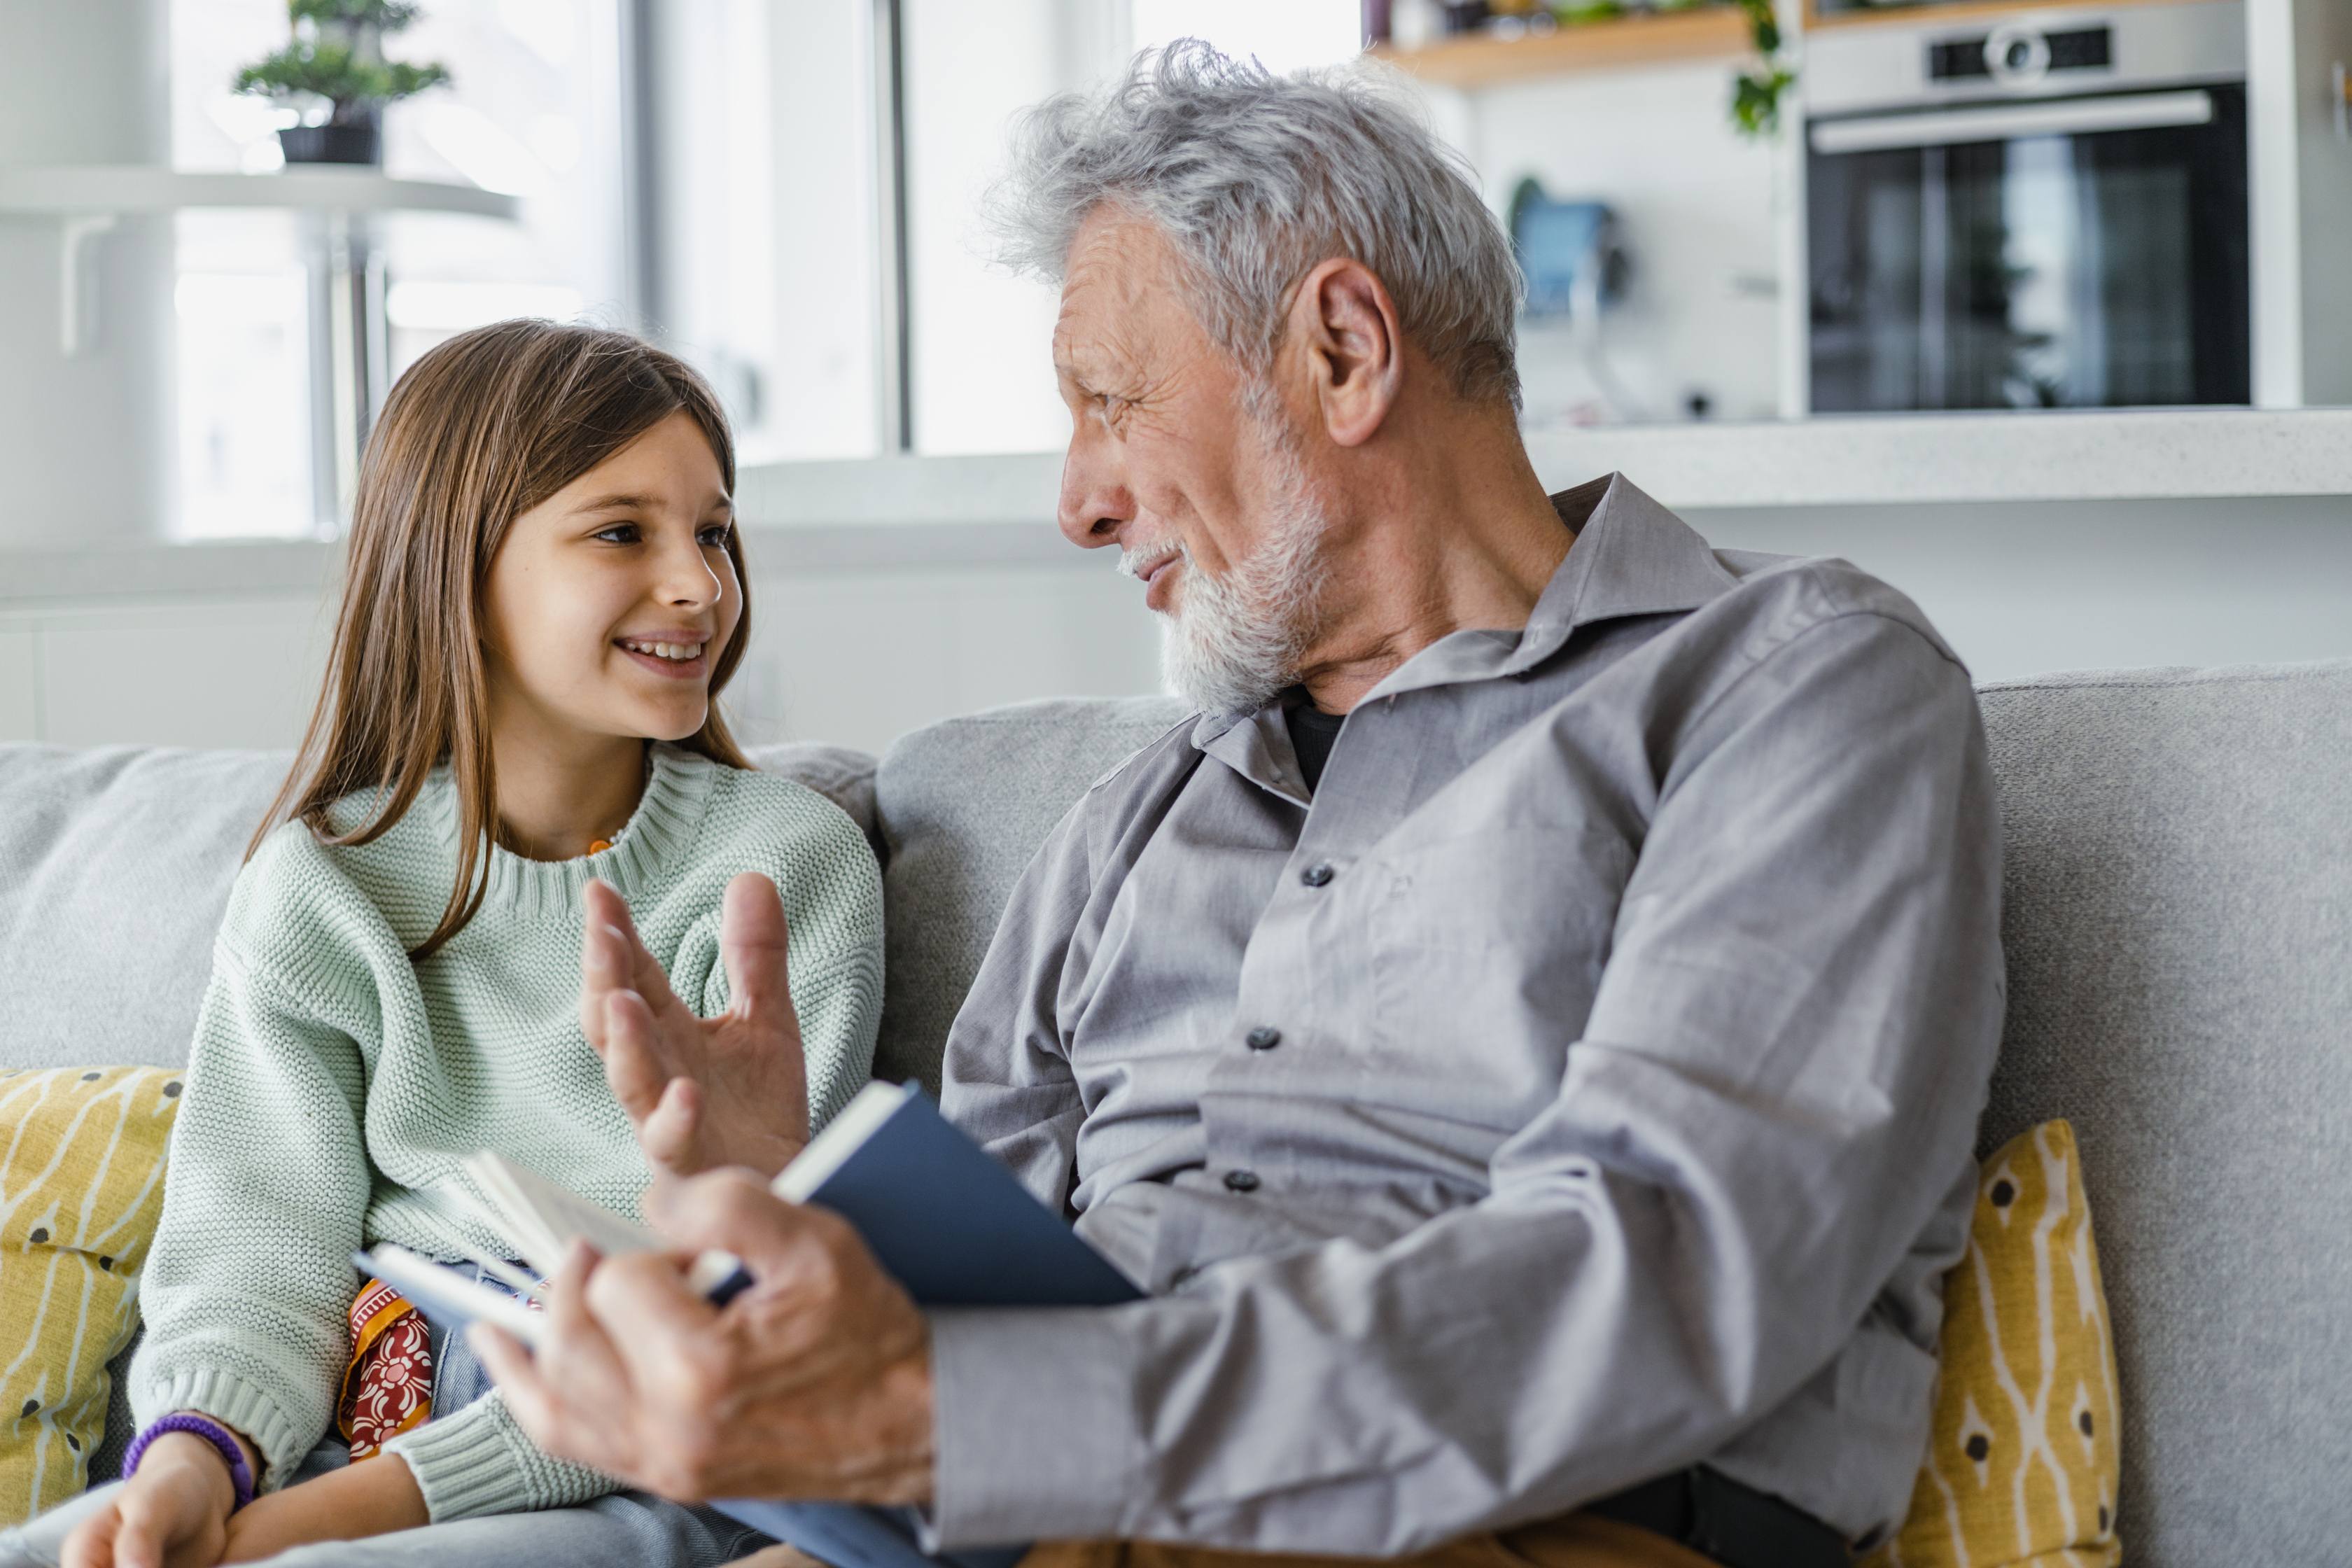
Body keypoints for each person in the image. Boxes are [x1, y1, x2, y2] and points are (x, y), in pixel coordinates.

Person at [479, 43, 2004, 1568]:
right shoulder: (1132, 823)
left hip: (1532, 1517)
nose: (1074, 500)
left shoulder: (1795, 690)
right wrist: (774, 1199)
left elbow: (1670, 1265)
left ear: (1342, 350)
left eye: (1107, 402)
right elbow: (964, 1326)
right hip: (1053, 1519)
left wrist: (966, 1423)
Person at [0, 321, 883, 1568]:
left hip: (625, 1462)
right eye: (624, 530)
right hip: (344, 1413)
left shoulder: (782, 871)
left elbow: (722, 1309)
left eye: (715, 531)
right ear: (454, 566)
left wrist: (307, 1525)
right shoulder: (324, 884)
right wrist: (197, 1465)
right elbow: (257, 1246)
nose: (699, 584)